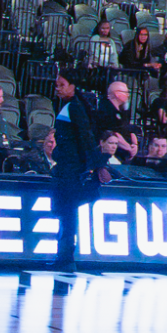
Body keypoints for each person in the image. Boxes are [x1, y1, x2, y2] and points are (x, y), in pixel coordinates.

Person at [49, 69, 108, 270]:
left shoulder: (75, 108)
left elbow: (85, 138)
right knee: (66, 212)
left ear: (73, 86)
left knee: (68, 212)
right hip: (67, 167)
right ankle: (64, 258)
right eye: (57, 85)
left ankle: (66, 259)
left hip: (71, 170)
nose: (58, 88)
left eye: (62, 85)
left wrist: (98, 165)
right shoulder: (70, 106)